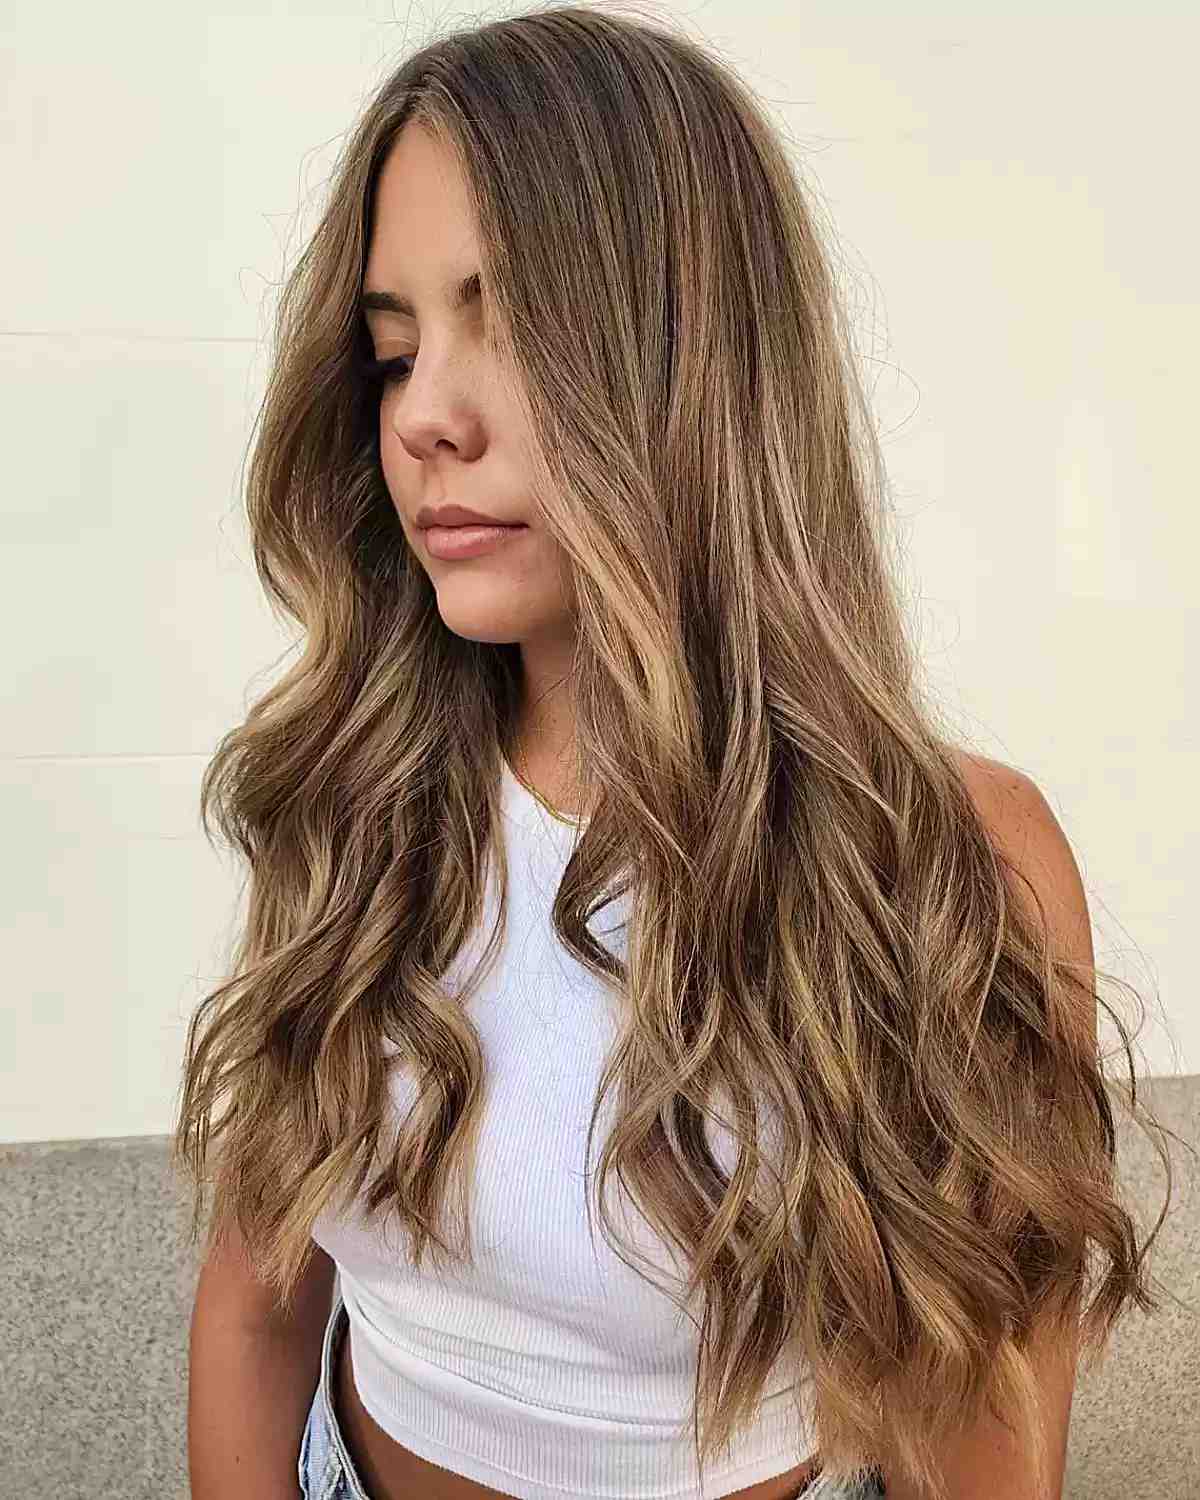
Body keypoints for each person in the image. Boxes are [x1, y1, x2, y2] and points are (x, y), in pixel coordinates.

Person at [175, 7, 1170, 1500]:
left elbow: (984, 1407)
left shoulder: (953, 861)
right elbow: (256, 1308)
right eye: (392, 353)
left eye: (509, 328)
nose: (423, 417)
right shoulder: (356, 795)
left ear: (701, 370)